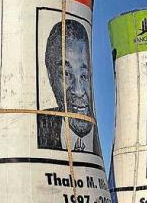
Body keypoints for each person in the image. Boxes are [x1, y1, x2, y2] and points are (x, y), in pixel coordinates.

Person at [37, 19, 101, 155]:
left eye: (84, 76)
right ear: (51, 76)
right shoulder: (37, 127)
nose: (78, 91)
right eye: (66, 74)